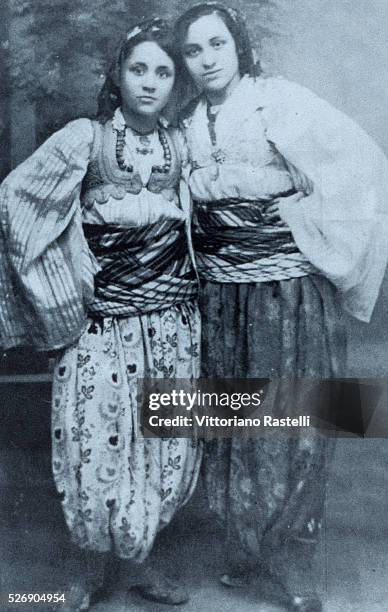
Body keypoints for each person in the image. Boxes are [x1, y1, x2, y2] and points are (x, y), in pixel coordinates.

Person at [174, 3, 388, 611]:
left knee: (298, 419)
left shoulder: (277, 101)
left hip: (286, 294)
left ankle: (294, 560)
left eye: (217, 44)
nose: (207, 60)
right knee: (233, 420)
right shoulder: (187, 121)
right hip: (220, 295)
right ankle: (245, 547)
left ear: (238, 45)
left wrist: (296, 220)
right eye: (193, 51)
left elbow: (359, 166)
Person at [0, 18, 202, 610]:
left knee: (168, 445)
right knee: (96, 440)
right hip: (100, 326)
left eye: (163, 72)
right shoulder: (83, 139)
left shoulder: (183, 146)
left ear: (175, 83)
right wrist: (65, 282)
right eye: (138, 69)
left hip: (172, 326)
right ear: (117, 74)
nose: (149, 83)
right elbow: (17, 205)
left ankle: (144, 562)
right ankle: (88, 567)